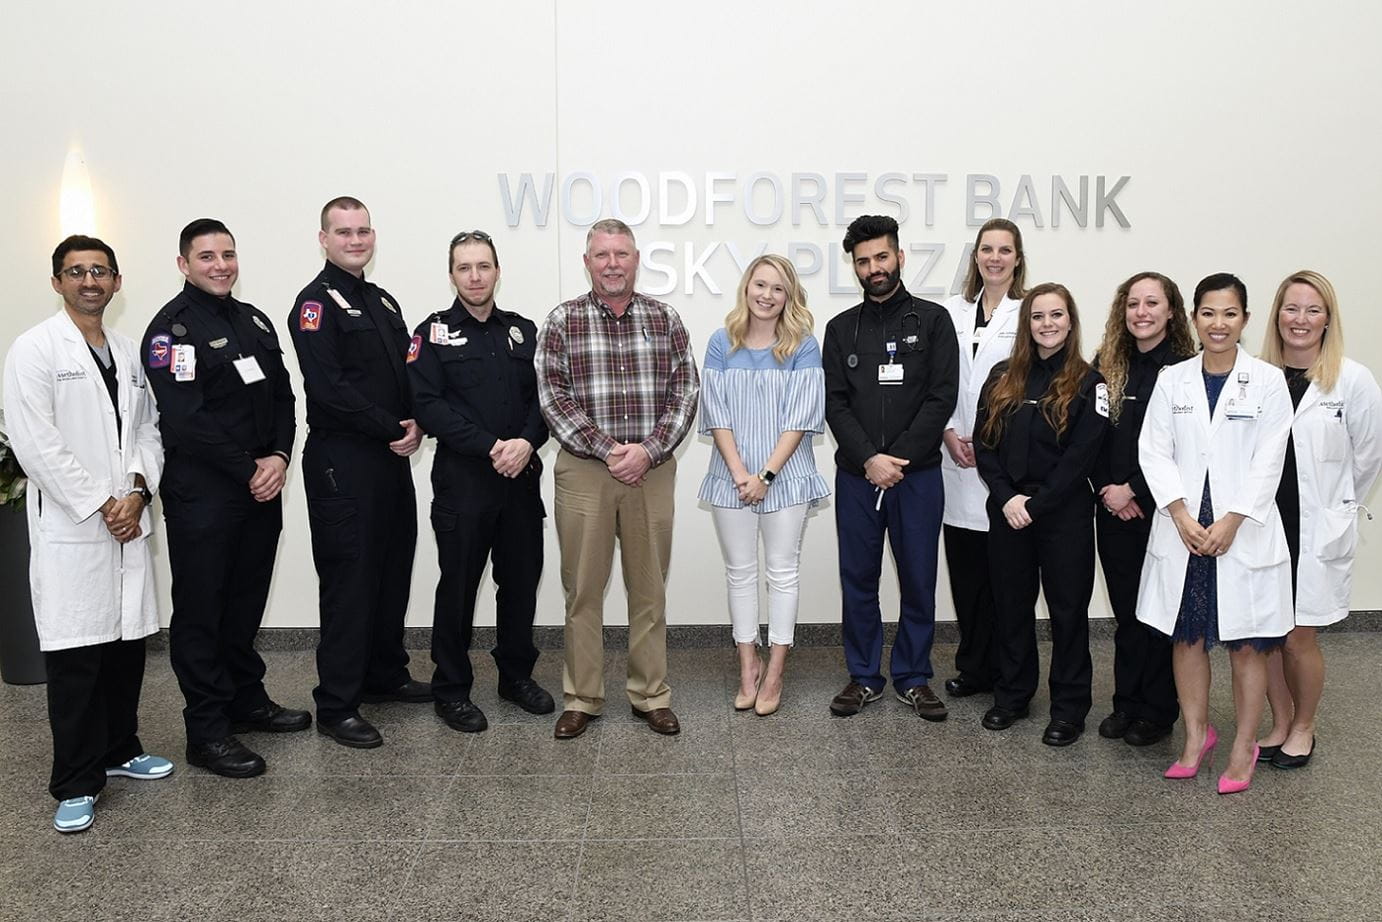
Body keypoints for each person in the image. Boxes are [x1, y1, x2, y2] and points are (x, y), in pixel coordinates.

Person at [4, 236, 173, 833]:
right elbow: (35, 442)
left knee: (125, 647)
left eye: (100, 271)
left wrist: (138, 491)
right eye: (76, 272)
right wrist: (103, 503)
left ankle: (121, 748)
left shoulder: (127, 352)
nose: (89, 281)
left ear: (117, 281)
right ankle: (75, 781)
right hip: (75, 525)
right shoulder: (35, 349)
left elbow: (149, 430)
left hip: (127, 515)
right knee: (77, 658)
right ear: (57, 283)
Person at [142, 219, 306, 779]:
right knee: (202, 610)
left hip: (261, 486)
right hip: (206, 493)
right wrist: (248, 468)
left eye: (228, 254)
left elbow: (283, 396)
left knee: (244, 600)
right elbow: (186, 419)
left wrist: (279, 456)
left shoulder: (252, 320)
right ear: (183, 264)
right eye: (207, 256)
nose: (221, 265)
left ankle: (245, 700)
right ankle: (206, 731)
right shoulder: (171, 332)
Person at [534, 218, 700, 739]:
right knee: (583, 590)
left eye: (621, 254)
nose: (612, 264)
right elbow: (553, 398)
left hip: (652, 471)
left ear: (636, 260)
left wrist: (647, 451)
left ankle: (651, 694)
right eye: (602, 255)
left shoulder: (665, 318)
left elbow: (685, 391)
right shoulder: (562, 321)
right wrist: (610, 451)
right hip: (585, 472)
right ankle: (582, 697)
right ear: (587, 262)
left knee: (649, 589)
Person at [1136, 273, 1293, 794]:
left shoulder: (1268, 381)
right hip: (1185, 529)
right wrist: (1181, 516)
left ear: (1245, 319)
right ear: (1194, 318)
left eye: (1229, 314)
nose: (1218, 324)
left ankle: (1245, 746)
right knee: (1187, 638)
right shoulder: (1173, 379)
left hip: (1240, 531)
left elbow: (1270, 460)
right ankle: (1196, 736)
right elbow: (1153, 451)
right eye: (1208, 313)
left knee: (1246, 645)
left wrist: (1232, 520)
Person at [287, 196, 430, 750]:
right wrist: (392, 426)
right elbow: (328, 388)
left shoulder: (382, 301)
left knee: (392, 569)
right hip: (343, 461)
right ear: (323, 239)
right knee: (350, 580)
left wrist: (417, 421)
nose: (355, 240)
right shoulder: (314, 304)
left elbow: (407, 373)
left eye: (363, 231)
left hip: (389, 458)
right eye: (343, 232)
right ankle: (337, 703)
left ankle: (384, 675)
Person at [408, 230, 555, 733]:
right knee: (459, 587)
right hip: (465, 483)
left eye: (483, 266)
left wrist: (526, 443)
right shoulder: (431, 334)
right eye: (464, 267)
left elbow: (545, 400)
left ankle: (516, 677)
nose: (475, 276)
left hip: (520, 481)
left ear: (497, 271)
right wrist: (492, 446)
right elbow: (428, 406)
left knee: (520, 584)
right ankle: (451, 689)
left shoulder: (523, 332)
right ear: (452, 274)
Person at [822, 215, 958, 721]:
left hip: (917, 477)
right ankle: (863, 676)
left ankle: (914, 676)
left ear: (899, 257)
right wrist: (869, 459)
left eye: (882, 257)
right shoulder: (840, 329)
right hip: (858, 477)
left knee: (919, 579)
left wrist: (897, 459)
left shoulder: (934, 321)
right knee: (858, 579)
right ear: (854, 267)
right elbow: (835, 403)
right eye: (863, 261)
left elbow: (941, 397)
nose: (874, 268)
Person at [1257, 271, 1382, 768]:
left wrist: (1338, 507)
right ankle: (1280, 722)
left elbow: (1369, 456)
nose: (1300, 320)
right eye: (1291, 308)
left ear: (1328, 318)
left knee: (1298, 638)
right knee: (1265, 636)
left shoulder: (1352, 379)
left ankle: (1304, 726)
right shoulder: (1259, 376)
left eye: (1312, 310)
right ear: (1277, 316)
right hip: (1265, 523)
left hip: (1315, 525)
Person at [974, 283, 1107, 745]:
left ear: (1070, 322)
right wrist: (1008, 498)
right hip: (1009, 511)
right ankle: (1012, 695)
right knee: (1011, 607)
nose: (1047, 324)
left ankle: (1069, 708)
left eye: (1056, 315)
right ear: (1026, 324)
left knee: (1068, 612)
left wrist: (1037, 504)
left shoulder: (1090, 382)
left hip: (1063, 515)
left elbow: (1082, 456)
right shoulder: (1001, 376)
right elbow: (984, 446)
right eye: (1037, 316)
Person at [698, 255, 830, 716]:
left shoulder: (803, 346)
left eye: (778, 288)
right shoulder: (721, 342)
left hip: (785, 478)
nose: (767, 295)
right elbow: (716, 413)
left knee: (782, 572)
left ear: (789, 296)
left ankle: (775, 672)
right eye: (760, 284)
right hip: (731, 478)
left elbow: (800, 418)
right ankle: (747, 667)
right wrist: (741, 475)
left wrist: (766, 476)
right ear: (746, 288)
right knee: (739, 573)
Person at [1090, 273, 1196, 746]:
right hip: (1111, 508)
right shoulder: (1105, 364)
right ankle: (1126, 704)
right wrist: (1108, 491)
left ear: (1171, 311)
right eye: (1133, 304)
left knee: (1160, 614)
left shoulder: (1185, 370)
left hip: (1164, 511)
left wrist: (1134, 489)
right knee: (1127, 613)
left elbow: (1184, 449)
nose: (1142, 312)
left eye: (1152, 303)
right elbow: (1088, 435)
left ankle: (1157, 711)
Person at [939, 218, 1027, 699]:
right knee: (968, 576)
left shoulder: (1028, 313)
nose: (995, 258)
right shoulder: (951, 311)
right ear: (975, 257)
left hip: (1005, 463)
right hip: (955, 456)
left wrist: (989, 440)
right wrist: (949, 432)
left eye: (1004, 250)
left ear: (1017, 258)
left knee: (1006, 580)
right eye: (987, 249)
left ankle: (1008, 674)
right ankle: (973, 667)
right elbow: (939, 381)